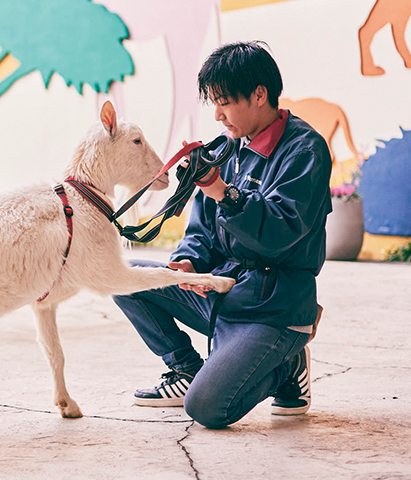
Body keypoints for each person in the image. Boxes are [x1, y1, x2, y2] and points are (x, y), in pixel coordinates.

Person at [113, 41, 332, 428]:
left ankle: (287, 365)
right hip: (224, 293)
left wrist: (222, 192)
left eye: (225, 102)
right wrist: (189, 261)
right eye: (213, 102)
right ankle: (185, 368)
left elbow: (278, 233)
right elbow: (202, 230)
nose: (217, 115)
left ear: (259, 94)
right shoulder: (227, 151)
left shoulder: (305, 150)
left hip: (274, 309)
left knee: (207, 409)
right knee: (121, 275)